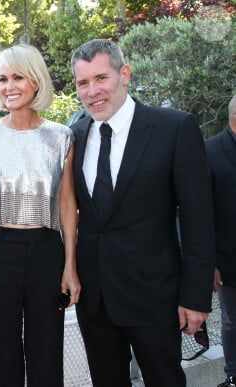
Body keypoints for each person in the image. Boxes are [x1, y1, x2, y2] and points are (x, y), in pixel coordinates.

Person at [70, 38, 216, 386]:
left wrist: (196, 298)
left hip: (155, 296)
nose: (92, 91)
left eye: (101, 78)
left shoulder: (174, 128)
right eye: (83, 83)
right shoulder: (74, 135)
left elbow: (198, 219)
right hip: (95, 300)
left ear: (125, 74)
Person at [0, 44, 80, 386]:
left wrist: (70, 266)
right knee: (5, 353)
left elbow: (67, 206)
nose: (9, 86)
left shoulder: (61, 136)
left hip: (46, 250)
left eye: (18, 77)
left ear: (36, 81)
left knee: (47, 350)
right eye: (3, 79)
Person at [208, 95, 236, 387]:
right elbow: (200, 213)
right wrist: (209, 262)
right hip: (228, 257)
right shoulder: (210, 151)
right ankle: (234, 375)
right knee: (232, 322)